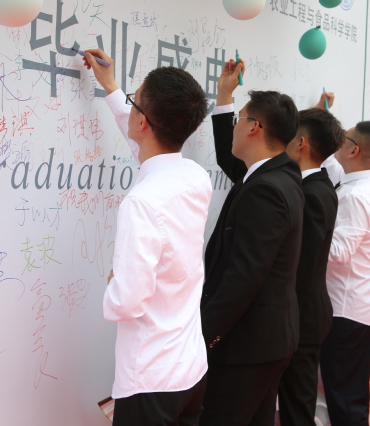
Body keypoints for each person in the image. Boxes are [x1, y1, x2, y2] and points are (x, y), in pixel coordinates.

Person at [84, 50, 212, 425]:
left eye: (133, 101)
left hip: (151, 381)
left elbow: (127, 301)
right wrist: (112, 88)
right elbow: (150, 150)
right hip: (190, 370)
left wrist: (115, 280)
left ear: (142, 121)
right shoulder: (195, 177)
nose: (131, 107)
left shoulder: (142, 202)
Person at [199, 58, 305, 425]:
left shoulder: (266, 190)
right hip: (264, 343)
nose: (235, 126)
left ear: (254, 128)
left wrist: (202, 334)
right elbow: (229, 160)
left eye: (239, 119)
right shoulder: (276, 176)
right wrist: (224, 97)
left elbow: (243, 278)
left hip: (247, 347)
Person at [319, 121, 370, 426]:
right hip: (357, 303)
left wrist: (299, 232)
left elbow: (338, 252)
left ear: (354, 150)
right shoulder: (364, 183)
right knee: (349, 394)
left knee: (345, 399)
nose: (338, 141)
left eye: (344, 138)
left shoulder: (357, 195)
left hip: (346, 309)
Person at [278, 104, 344, 425]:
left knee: (297, 404)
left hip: (302, 317)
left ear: (301, 143)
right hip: (302, 315)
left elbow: (302, 266)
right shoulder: (313, 184)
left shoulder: (315, 192)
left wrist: (285, 319)